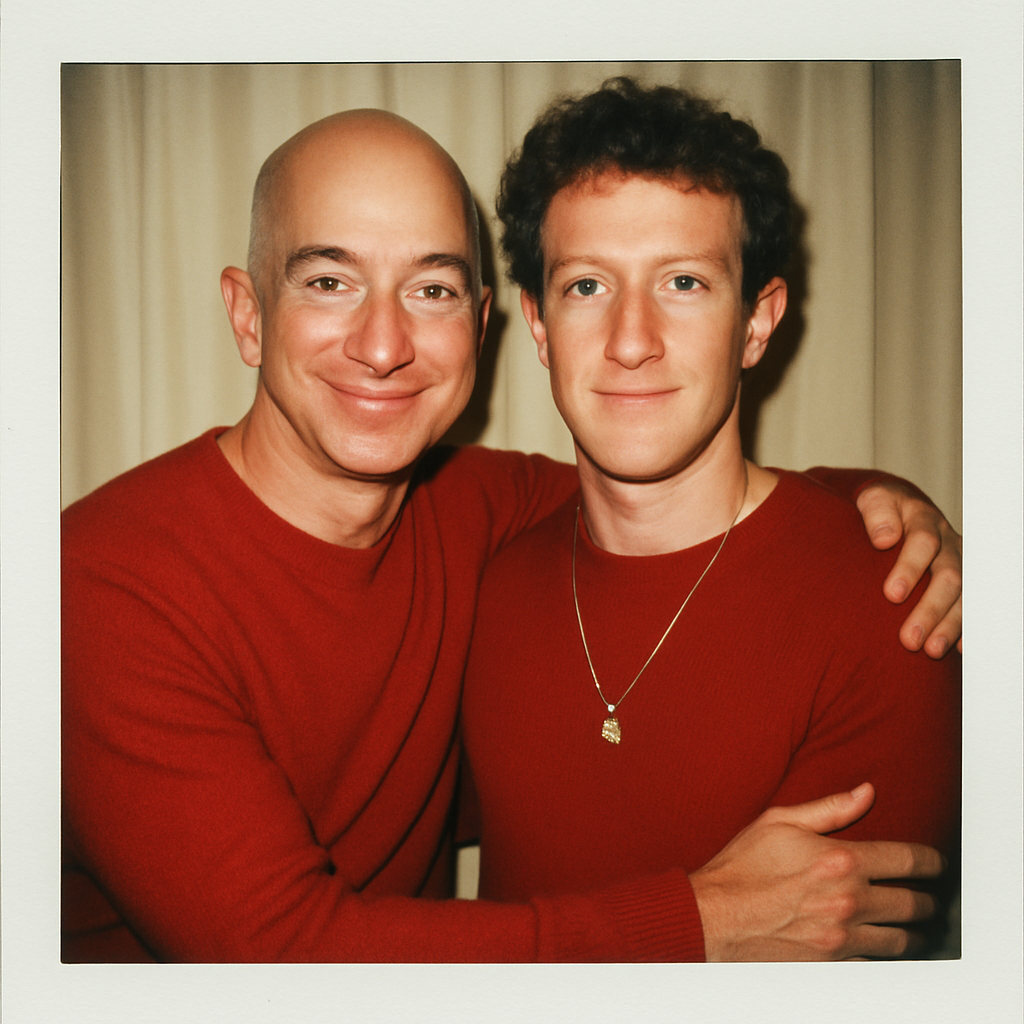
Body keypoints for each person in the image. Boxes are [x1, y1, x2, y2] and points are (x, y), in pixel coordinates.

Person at [62, 105, 961, 963]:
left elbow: (663, 499)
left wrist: (876, 506)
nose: (383, 344)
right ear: (248, 313)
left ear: (484, 322)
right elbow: (279, 960)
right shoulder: (98, 585)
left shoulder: (478, 512)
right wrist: (701, 925)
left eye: (432, 289)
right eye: (329, 281)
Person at [461, 78, 961, 959]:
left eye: (684, 282)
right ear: (537, 323)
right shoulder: (488, 576)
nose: (631, 340)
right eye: (587, 286)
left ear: (757, 323)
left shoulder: (891, 606)